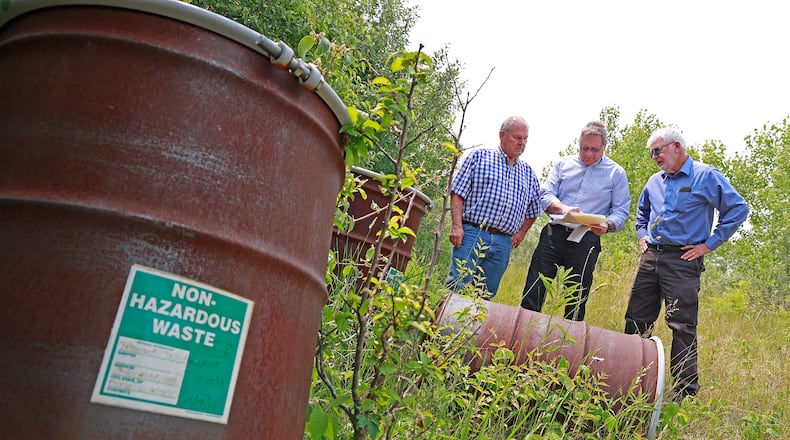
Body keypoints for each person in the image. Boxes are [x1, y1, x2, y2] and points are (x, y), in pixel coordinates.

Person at [624, 127, 748, 403]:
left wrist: (709, 244)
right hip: (651, 257)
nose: (653, 156)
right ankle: (630, 382)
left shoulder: (705, 176)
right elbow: (642, 213)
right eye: (651, 152)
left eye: (657, 150)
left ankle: (684, 394)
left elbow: (738, 208)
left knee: (681, 326)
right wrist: (642, 235)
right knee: (636, 320)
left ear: (676, 146)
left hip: (683, 260)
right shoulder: (654, 181)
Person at [520, 121, 630, 321]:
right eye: (584, 148)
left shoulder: (616, 173)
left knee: (576, 297)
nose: (588, 154)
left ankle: (569, 346)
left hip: (586, 238)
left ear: (604, 146)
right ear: (578, 144)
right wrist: (563, 208)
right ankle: (522, 337)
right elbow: (545, 195)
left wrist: (607, 225)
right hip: (555, 232)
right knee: (534, 288)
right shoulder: (563, 165)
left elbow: (621, 211)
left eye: (594, 150)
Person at [447, 116, 541, 298]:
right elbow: (457, 193)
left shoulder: (529, 174)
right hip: (472, 233)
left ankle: (473, 327)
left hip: (503, 243)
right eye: (517, 137)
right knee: (458, 286)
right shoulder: (479, 157)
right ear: (502, 135)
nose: (522, 143)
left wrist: (521, 234)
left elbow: (533, 211)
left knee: (485, 294)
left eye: (525, 139)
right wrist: (457, 226)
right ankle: (446, 325)